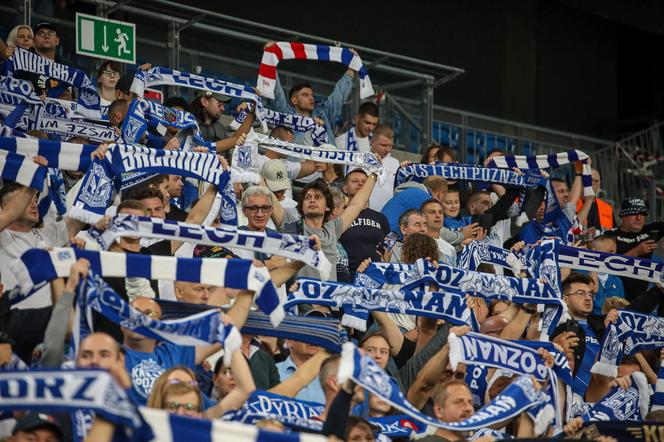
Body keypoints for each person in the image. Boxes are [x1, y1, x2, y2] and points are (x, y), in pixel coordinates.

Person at [272, 170, 379, 281]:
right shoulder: (292, 227)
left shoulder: (332, 228)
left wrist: (374, 174)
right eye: (308, 198)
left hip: (328, 297)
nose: (312, 200)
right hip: (300, 297)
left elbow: (357, 204)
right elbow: (270, 198)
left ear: (328, 207)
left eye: (318, 197)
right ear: (301, 206)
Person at [268, 41, 356, 145]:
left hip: (325, 161)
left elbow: (339, 96)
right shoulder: (286, 114)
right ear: (294, 100)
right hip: (297, 161)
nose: (311, 98)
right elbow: (276, 92)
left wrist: (352, 67)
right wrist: (270, 58)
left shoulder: (323, 113)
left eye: (312, 95)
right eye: (305, 95)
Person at [605, 197, 664, 302]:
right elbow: (608, 264)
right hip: (615, 296)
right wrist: (636, 252)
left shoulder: (650, 231)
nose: (638, 218)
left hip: (641, 299)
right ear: (623, 216)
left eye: (642, 214)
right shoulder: (610, 235)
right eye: (634, 214)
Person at [339, 169, 391, 275]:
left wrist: (386, 264)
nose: (360, 184)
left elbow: (388, 247)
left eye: (364, 182)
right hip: (347, 274)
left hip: (376, 274)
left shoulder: (381, 218)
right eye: (355, 181)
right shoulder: (341, 216)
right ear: (345, 188)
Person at [277, 339, 326, 404]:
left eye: (318, 334)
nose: (313, 338)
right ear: (289, 341)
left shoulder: (336, 374)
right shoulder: (272, 372)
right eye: (307, 333)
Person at [368, 125, 400, 211]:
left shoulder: (396, 163)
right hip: (366, 211)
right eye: (384, 145)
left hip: (389, 212)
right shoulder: (360, 160)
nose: (387, 149)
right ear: (372, 142)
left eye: (390, 146)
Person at [420, 199, 457, 266]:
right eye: (432, 212)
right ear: (422, 217)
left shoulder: (451, 249)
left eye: (440, 212)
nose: (438, 216)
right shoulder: (416, 244)